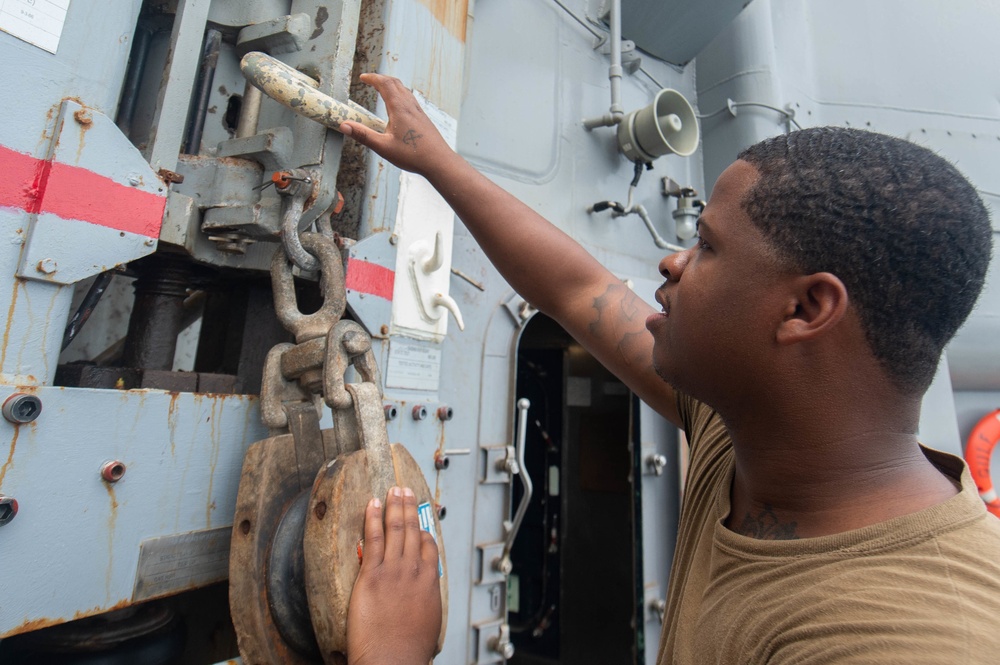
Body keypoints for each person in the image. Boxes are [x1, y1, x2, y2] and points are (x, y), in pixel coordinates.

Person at [343, 73, 1000, 664]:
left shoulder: (911, 637)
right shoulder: (754, 431)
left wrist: (393, 651)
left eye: (706, 246)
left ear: (805, 307)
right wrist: (434, 161)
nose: (671, 263)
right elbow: (576, 290)